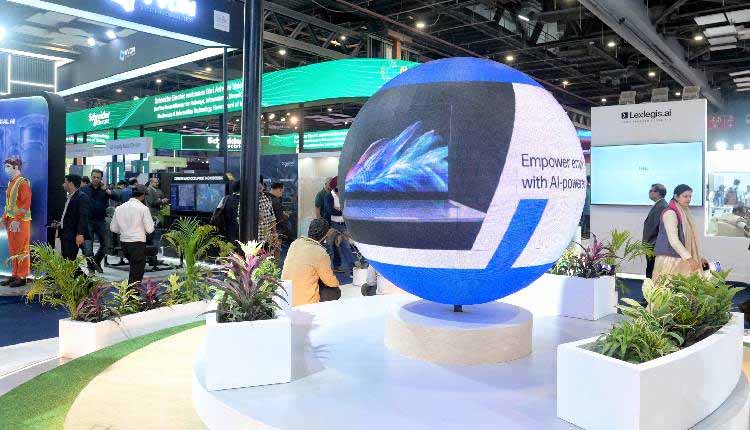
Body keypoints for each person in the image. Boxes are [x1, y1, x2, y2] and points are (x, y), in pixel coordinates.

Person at [652, 184, 708, 281]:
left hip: (682, 258)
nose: (688, 199)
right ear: (676, 196)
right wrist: (690, 259)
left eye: (690, 196)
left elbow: (692, 239)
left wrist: (699, 257)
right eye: (685, 196)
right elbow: (674, 240)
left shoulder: (685, 212)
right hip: (670, 260)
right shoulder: (670, 213)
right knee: (668, 289)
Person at [281, 218, 340, 306]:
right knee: (336, 291)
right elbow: (330, 281)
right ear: (326, 235)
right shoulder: (320, 252)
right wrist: (337, 283)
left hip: (285, 298)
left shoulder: (295, 243)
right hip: (304, 303)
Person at [110, 185, 154, 287]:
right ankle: (132, 295)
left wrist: (125, 230)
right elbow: (150, 229)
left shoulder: (119, 208)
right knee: (137, 273)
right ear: (143, 195)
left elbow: (113, 228)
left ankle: (131, 293)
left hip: (124, 243)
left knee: (134, 270)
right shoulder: (143, 209)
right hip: (138, 243)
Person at [0, 157, 32, 288]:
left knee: (22, 249)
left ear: (16, 167)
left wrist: (17, 219)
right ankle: (15, 274)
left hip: (20, 222)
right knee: (13, 249)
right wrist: (4, 217)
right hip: (11, 221)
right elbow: (9, 205)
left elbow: (26, 204)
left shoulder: (23, 183)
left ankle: (22, 276)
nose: (5, 169)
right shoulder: (11, 183)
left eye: (8, 166)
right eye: (5, 166)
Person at [81, 169, 118, 273]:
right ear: (91, 177)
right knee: (88, 248)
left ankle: (96, 262)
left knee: (106, 245)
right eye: (94, 177)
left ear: (101, 178)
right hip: (87, 221)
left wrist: (108, 191)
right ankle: (90, 267)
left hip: (101, 220)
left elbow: (117, 197)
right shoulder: (84, 189)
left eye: (98, 177)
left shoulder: (104, 190)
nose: (95, 179)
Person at [324, 177, 355, 273]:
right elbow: (331, 211)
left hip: (344, 225)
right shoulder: (329, 196)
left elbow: (349, 208)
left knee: (346, 246)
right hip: (333, 225)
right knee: (332, 247)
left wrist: (340, 210)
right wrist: (343, 211)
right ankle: (333, 267)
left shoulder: (344, 196)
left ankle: (352, 268)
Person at [57, 174, 90, 262]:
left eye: (65, 182)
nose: (63, 185)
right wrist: (61, 223)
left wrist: (80, 234)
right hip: (65, 233)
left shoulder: (82, 197)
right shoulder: (69, 197)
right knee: (66, 259)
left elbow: (83, 217)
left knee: (70, 259)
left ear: (71, 184)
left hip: (72, 235)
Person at [642, 183, 668, 279]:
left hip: (654, 246)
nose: (649, 193)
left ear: (658, 193)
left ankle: (650, 288)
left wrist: (652, 244)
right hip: (652, 245)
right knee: (650, 269)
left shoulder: (661, 206)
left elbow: (658, 228)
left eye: (651, 191)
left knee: (652, 271)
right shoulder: (659, 205)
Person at [258, 179, 276, 244]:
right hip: (253, 240)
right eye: (257, 183)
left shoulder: (267, 198)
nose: (260, 185)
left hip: (266, 239)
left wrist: (274, 233)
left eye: (261, 183)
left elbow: (272, 218)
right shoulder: (246, 199)